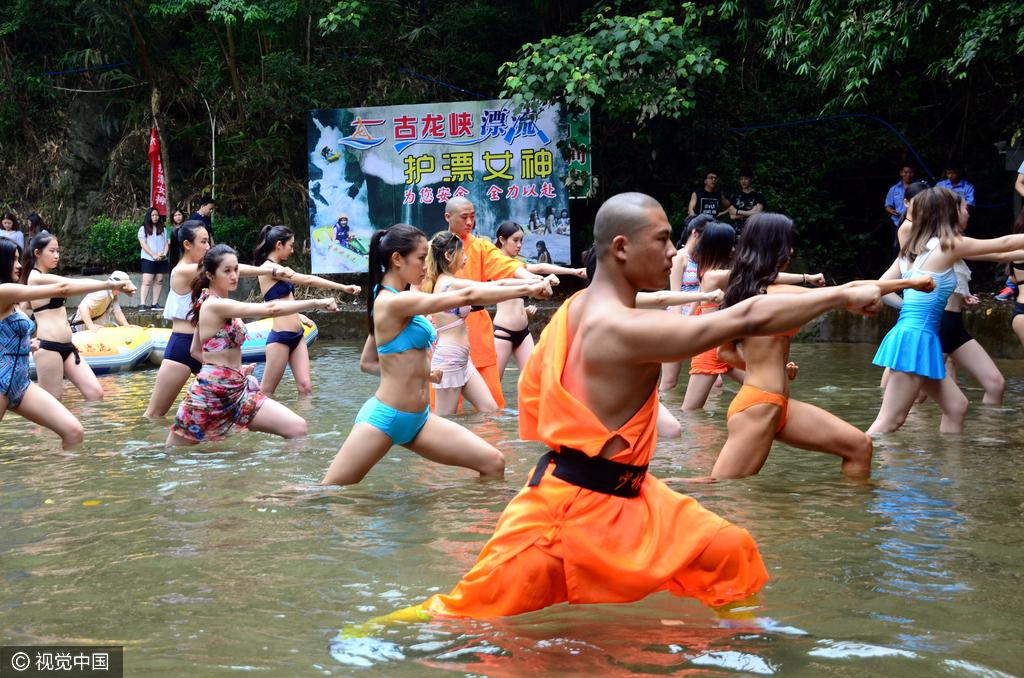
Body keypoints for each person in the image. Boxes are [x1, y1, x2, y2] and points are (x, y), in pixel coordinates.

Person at [363, 192, 880, 624]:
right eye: (663, 240)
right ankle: (362, 638)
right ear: (621, 248)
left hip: (630, 494)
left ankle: (743, 644)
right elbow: (745, 315)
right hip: (565, 508)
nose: (675, 252)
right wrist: (840, 295)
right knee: (458, 617)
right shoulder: (615, 324)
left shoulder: (586, 303)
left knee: (729, 551)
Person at [321, 224, 551, 486]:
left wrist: (422, 373)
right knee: (328, 492)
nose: (425, 266)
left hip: (419, 419)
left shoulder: (398, 297)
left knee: (493, 463)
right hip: (387, 418)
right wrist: (526, 289)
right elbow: (468, 294)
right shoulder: (391, 302)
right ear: (398, 259)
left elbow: (370, 361)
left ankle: (453, 518)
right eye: (421, 259)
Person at [712, 213, 933, 479]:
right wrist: (910, 282)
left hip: (777, 404)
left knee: (859, 446)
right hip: (758, 406)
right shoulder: (775, 295)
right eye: (786, 244)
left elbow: (724, 352)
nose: (791, 250)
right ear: (771, 248)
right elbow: (848, 289)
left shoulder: (747, 292)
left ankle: (852, 519)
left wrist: (772, 366)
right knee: (717, 489)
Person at [869, 187, 1024, 435]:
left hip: (918, 335)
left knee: (956, 406)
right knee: (890, 421)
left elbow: (881, 286)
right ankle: (857, 459)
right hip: (917, 337)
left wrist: (907, 309)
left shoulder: (912, 249)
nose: (965, 211)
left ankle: (948, 468)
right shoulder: (947, 245)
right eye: (959, 207)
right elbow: (1004, 243)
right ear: (946, 213)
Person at [167, 244, 337, 445]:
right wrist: (315, 303)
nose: (234, 276)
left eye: (236, 270)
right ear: (211, 275)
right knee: (174, 454)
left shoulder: (210, 300)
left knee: (297, 428)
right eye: (227, 271)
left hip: (238, 388)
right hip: (209, 394)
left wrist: (234, 369)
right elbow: (271, 308)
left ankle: (287, 476)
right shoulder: (214, 305)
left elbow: (195, 350)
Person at [144, 221, 293, 418]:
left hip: (209, 347)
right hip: (182, 348)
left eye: (208, 242)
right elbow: (234, 268)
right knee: (155, 413)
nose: (208, 247)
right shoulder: (181, 271)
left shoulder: (208, 274)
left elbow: (229, 270)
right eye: (203, 242)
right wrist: (270, 270)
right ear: (188, 245)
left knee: (240, 407)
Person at [0, 240, 132, 448]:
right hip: (2, 380)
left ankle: (57, 477)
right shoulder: (5, 291)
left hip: (20, 383)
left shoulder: (14, 298)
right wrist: (109, 284)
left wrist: (25, 345)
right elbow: (63, 287)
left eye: (18, 259)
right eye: (13, 260)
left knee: (74, 431)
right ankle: (43, 453)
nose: (18, 265)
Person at [423, 231, 549, 415]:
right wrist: (530, 287)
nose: (466, 257)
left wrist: (533, 283)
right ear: (448, 255)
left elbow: (495, 285)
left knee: (491, 411)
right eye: (462, 253)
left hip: (463, 359)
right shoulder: (448, 284)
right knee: (445, 421)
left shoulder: (452, 282)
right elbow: (490, 289)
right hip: (449, 359)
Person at [443, 196, 544, 409]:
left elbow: (506, 267)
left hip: (477, 327)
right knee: (447, 408)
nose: (470, 222)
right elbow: (419, 285)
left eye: (472, 217)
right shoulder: (435, 248)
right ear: (448, 217)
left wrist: (532, 282)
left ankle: (491, 439)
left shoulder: (481, 246)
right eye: (464, 217)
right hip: (445, 331)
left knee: (491, 403)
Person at [21, 233, 137, 402]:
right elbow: (66, 286)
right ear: (37, 253)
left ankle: (85, 427)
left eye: (58, 251)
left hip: (68, 346)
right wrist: (110, 284)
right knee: (53, 405)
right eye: (52, 251)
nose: (56, 255)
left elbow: (26, 308)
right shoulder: (36, 278)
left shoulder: (43, 279)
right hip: (49, 348)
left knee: (95, 394)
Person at [253, 224, 360, 397]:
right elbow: (308, 280)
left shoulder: (279, 268)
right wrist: (343, 287)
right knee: (266, 393)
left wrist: (298, 315)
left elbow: (285, 300)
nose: (292, 250)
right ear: (279, 245)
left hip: (297, 335)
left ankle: (307, 423)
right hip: (280, 338)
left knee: (306, 388)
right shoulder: (268, 268)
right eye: (291, 245)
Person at [492, 221, 586, 380]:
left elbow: (540, 268)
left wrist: (574, 271)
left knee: (534, 381)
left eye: (521, 240)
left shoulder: (514, 263)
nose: (519, 245)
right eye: (515, 240)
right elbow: (505, 285)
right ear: (502, 240)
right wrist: (540, 282)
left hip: (523, 332)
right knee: (492, 387)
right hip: (503, 333)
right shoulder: (496, 262)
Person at [660, 214, 712, 394]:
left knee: (715, 381)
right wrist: (682, 324)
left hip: (701, 320)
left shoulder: (705, 259)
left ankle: (703, 421)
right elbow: (675, 297)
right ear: (695, 233)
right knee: (669, 382)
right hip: (679, 320)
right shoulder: (679, 257)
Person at [138, 207, 169, 311]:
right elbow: (143, 244)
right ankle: (142, 304)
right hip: (148, 258)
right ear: (149, 216)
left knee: (159, 280)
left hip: (161, 258)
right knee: (147, 281)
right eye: (153, 215)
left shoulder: (163, 229)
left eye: (157, 215)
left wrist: (164, 254)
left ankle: (154, 304)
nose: (155, 217)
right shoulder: (143, 229)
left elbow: (166, 244)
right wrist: (153, 254)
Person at [884, 164, 916, 229]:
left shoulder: (918, 188)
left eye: (911, 172)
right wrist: (892, 211)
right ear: (901, 173)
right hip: (898, 222)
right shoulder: (894, 189)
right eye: (906, 172)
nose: (908, 175)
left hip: (915, 222)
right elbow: (888, 205)